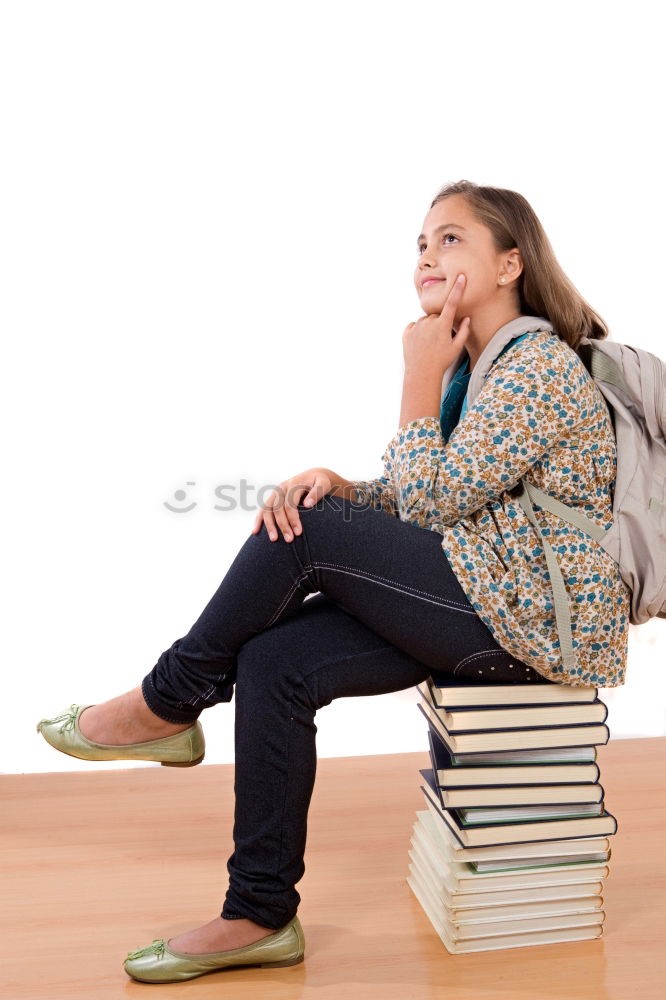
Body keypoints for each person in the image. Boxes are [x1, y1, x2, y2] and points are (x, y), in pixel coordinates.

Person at [36, 179, 630, 984]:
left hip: (528, 625)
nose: (427, 254)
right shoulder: (483, 369)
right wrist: (348, 487)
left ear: (510, 263)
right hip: (487, 597)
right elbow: (448, 496)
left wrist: (416, 374)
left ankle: (166, 703)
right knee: (274, 661)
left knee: (305, 535)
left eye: (451, 239)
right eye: (421, 242)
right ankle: (259, 914)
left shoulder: (536, 367)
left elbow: (435, 502)